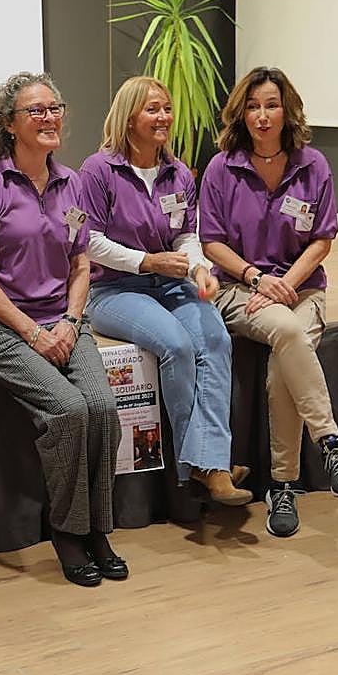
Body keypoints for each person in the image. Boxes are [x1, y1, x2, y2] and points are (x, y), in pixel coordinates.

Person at [0, 71, 125, 587]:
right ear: (9, 124)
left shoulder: (71, 183)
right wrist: (33, 332)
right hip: (2, 327)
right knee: (69, 410)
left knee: (103, 406)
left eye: (55, 107)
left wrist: (72, 323)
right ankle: (68, 531)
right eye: (37, 110)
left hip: (65, 322)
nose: (50, 117)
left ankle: (98, 528)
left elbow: (80, 265)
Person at [200, 66, 338, 539]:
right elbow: (211, 242)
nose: (262, 115)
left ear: (286, 109)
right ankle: (331, 444)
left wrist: (285, 284)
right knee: (289, 333)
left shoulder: (313, 165)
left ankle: (283, 486)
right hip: (238, 289)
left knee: (281, 372)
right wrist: (257, 278)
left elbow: (322, 239)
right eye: (252, 107)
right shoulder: (222, 167)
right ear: (241, 114)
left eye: (270, 105)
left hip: (303, 289)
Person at [80, 76, 248, 505]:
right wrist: (145, 261)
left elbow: (185, 236)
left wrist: (199, 269)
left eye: (167, 108)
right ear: (129, 116)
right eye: (153, 109)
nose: (164, 117)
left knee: (214, 338)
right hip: (114, 289)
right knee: (175, 344)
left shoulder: (178, 172)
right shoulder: (99, 170)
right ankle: (210, 464)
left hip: (171, 283)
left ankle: (205, 465)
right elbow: (89, 240)